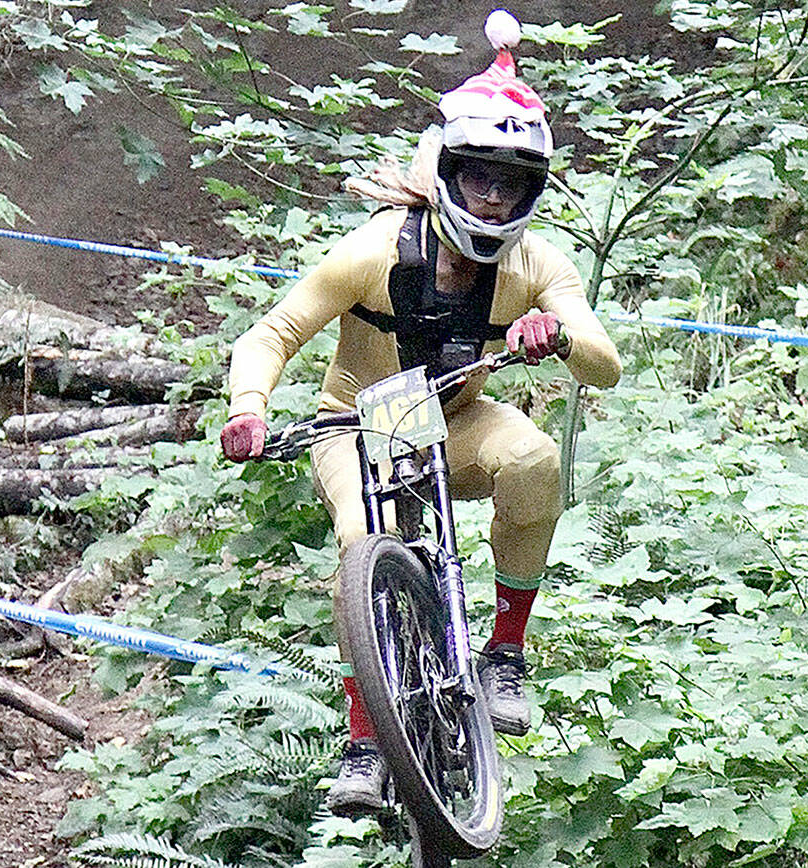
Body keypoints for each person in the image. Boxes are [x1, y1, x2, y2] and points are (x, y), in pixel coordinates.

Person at [219, 9, 621, 817]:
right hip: (354, 424)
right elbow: (272, 332)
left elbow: (606, 366)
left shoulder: (537, 264)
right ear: (447, 173)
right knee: (364, 540)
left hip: (454, 420)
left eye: (512, 185)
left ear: (533, 193)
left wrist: (560, 338)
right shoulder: (373, 250)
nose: (494, 199)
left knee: (535, 458)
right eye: (479, 177)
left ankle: (504, 653)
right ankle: (364, 743)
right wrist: (250, 408)